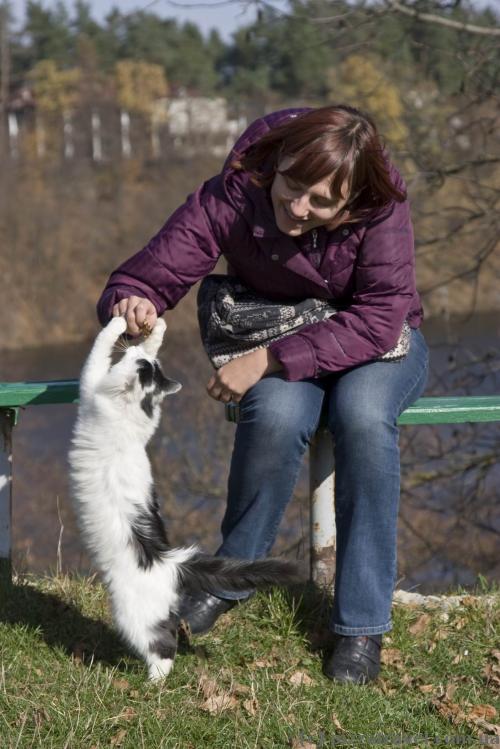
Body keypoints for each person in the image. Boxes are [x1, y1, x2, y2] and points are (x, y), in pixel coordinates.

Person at [96, 105, 429, 685]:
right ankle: (233, 577)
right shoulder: (237, 188)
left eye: (320, 203)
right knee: (274, 413)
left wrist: (268, 360)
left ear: (351, 203)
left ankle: (361, 628)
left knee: (363, 415)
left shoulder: (382, 205)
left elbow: (379, 318)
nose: (298, 209)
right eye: (293, 187)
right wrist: (133, 303)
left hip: (379, 344)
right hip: (278, 333)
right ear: (277, 164)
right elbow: (150, 272)